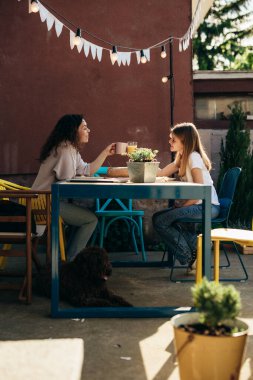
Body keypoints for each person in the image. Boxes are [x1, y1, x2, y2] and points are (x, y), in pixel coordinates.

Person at [32, 114, 116, 260]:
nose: (88, 130)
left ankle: (67, 260)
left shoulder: (70, 148)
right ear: (73, 131)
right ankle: (71, 262)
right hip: (44, 203)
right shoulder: (64, 148)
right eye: (84, 128)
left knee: (86, 219)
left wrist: (105, 153)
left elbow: (86, 170)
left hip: (47, 201)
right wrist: (80, 178)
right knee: (90, 220)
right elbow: (67, 182)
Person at [152, 122, 220, 270]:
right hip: (200, 205)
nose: (170, 142)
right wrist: (134, 169)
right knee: (162, 219)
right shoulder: (182, 159)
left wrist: (183, 205)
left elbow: (200, 191)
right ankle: (198, 251)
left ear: (185, 142)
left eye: (173, 140)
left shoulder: (193, 157)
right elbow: (161, 173)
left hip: (207, 206)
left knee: (160, 220)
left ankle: (190, 258)